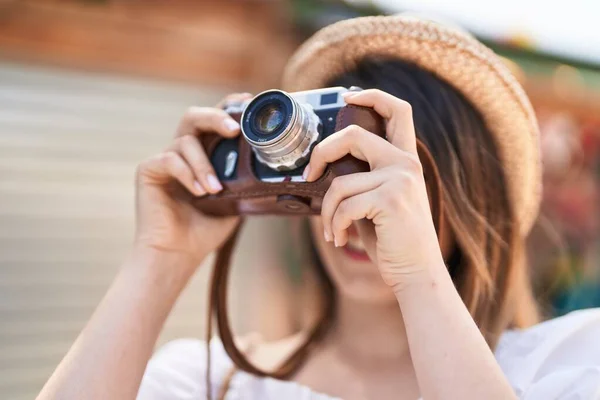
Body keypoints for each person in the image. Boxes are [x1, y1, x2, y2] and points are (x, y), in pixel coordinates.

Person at [37, 15, 600, 400]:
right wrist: (159, 258)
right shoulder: (210, 380)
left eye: (392, 176)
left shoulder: (561, 364)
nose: (358, 209)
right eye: (333, 166)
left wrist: (417, 274)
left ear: (470, 193)